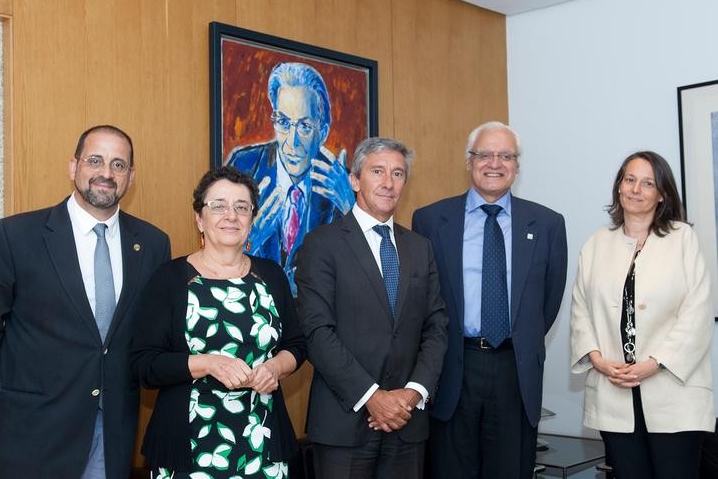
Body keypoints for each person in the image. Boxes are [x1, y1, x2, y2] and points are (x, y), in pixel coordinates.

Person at [0, 125, 171, 479]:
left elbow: (149, 332)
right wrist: (28, 381)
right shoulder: (15, 236)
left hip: (110, 431)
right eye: (95, 160)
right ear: (73, 166)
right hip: (33, 431)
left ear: (131, 176)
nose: (106, 173)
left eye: (118, 164)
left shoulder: (153, 244)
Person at [412, 121, 568, 478]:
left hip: (515, 370)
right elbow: (424, 301)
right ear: (469, 161)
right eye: (484, 154)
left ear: (517, 165)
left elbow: (548, 301)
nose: (494, 163)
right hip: (453, 366)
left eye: (506, 155)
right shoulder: (431, 220)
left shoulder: (547, 224)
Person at [132, 166, 306, 478]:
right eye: (219, 206)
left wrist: (275, 368)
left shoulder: (271, 275)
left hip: (262, 443)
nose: (232, 216)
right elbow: (144, 364)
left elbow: (296, 344)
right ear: (199, 218)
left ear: (252, 218)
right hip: (188, 445)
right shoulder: (170, 279)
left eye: (242, 207)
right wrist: (208, 363)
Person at [296, 137, 447, 478]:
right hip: (343, 423)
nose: (388, 182)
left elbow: (436, 326)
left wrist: (413, 393)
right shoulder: (322, 244)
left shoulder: (420, 248)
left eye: (397, 173)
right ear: (354, 180)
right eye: (377, 171)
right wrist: (372, 397)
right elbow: (317, 332)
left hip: (408, 423)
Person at [570, 150, 714, 478]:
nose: (636, 189)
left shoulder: (682, 239)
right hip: (614, 389)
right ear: (619, 186)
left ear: (662, 194)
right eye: (629, 179)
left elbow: (698, 311)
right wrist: (597, 358)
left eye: (648, 183)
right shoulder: (596, 244)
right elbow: (580, 310)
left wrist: (654, 363)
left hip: (672, 390)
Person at [227, 62, 355, 293]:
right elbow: (213, 254)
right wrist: (250, 239)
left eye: (304, 126)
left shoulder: (341, 187)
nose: (291, 142)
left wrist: (351, 210)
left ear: (323, 133)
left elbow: (362, 277)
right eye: (284, 123)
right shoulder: (243, 167)